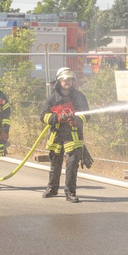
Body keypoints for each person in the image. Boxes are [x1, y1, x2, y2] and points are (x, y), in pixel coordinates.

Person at [40, 67, 90, 203]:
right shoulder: (52, 99)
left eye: (70, 79)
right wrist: (57, 118)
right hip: (56, 136)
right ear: (59, 81)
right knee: (55, 163)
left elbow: (87, 115)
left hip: (73, 135)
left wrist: (77, 120)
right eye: (64, 79)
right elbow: (43, 116)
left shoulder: (79, 97)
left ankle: (70, 192)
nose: (67, 82)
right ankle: (52, 188)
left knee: (72, 163)